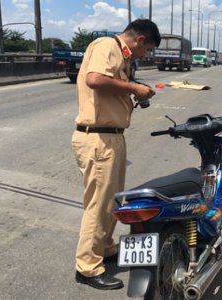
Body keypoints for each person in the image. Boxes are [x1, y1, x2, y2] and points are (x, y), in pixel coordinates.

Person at [71, 19, 161, 290]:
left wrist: (132, 89)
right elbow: (95, 79)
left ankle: (106, 247)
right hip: (98, 138)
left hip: (111, 136)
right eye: (147, 50)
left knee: (111, 202)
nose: (144, 55)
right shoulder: (107, 45)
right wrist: (134, 88)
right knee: (98, 206)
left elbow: (108, 84)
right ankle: (87, 267)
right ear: (140, 40)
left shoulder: (120, 56)